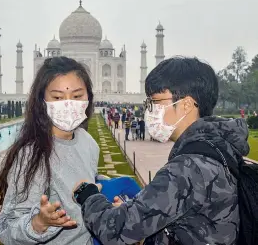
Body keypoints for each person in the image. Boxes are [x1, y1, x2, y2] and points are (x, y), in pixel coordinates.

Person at [73, 56, 247, 245]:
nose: (150, 110)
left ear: (186, 105)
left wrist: (88, 194)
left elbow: (115, 230)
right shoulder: (216, 148)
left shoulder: (189, 167)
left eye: (155, 102)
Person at [0, 57, 99, 245]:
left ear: (88, 97)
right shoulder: (32, 155)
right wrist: (38, 223)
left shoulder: (87, 142)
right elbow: (7, 227)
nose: (68, 104)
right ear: (42, 101)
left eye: (77, 96)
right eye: (57, 97)